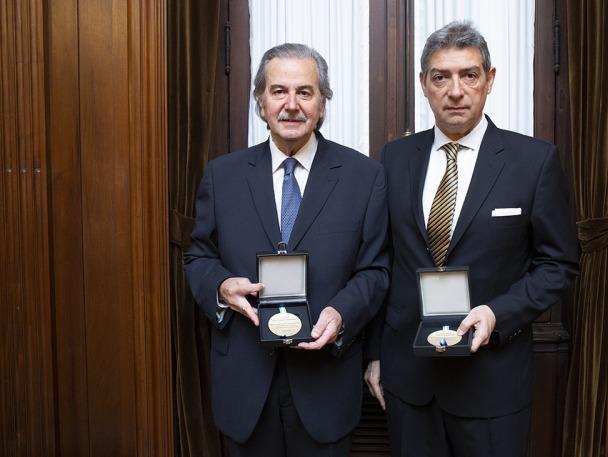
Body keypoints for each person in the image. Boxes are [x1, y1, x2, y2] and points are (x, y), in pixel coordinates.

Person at [364, 21, 579, 457]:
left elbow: (559, 265)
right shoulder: (395, 158)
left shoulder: (533, 162)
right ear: (424, 84)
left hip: (492, 383)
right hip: (410, 380)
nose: (455, 91)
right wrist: (375, 354)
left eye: (469, 75)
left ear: (490, 79)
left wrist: (498, 313)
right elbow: (379, 261)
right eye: (441, 77)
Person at [184, 43, 389, 457]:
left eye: (305, 92)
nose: (291, 105)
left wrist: (342, 313)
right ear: (261, 103)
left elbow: (376, 271)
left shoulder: (364, 177)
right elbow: (198, 256)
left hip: (326, 382)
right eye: (278, 91)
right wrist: (221, 287)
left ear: (322, 104)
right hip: (245, 385)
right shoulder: (222, 176)